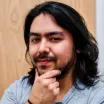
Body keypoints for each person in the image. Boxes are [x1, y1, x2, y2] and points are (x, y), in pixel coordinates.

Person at [1, 1, 104, 104]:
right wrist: (34, 102)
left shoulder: (99, 96)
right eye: (35, 39)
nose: (41, 49)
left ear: (78, 45)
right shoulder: (16, 91)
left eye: (54, 39)